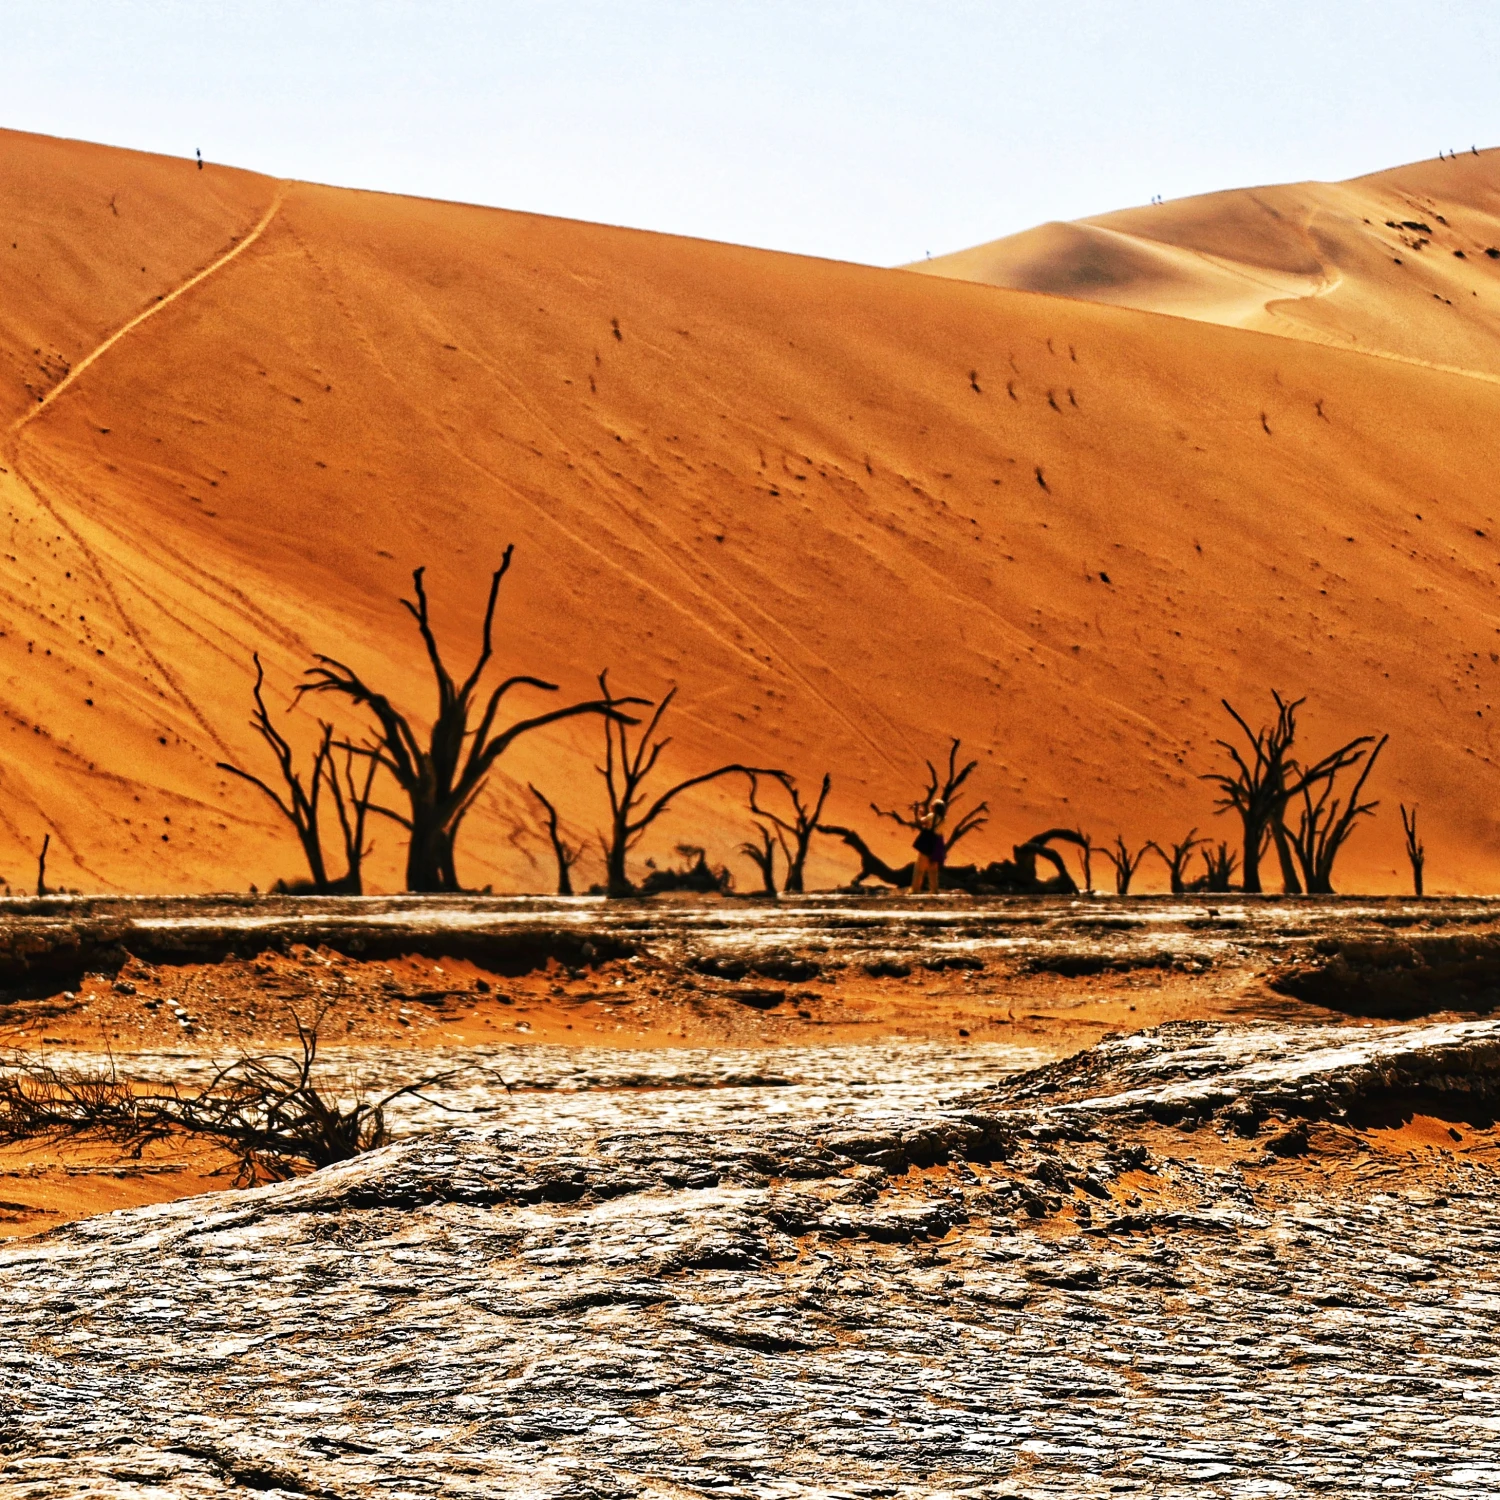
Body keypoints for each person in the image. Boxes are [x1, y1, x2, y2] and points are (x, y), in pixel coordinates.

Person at [911, 798, 947, 893]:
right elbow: (932, 823)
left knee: (919, 869)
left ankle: (915, 890)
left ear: (935, 808)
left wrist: (915, 812)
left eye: (933, 805)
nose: (931, 806)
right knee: (933, 870)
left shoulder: (931, 816)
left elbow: (921, 822)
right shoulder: (943, 819)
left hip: (927, 844)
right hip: (936, 846)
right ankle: (934, 890)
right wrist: (925, 815)